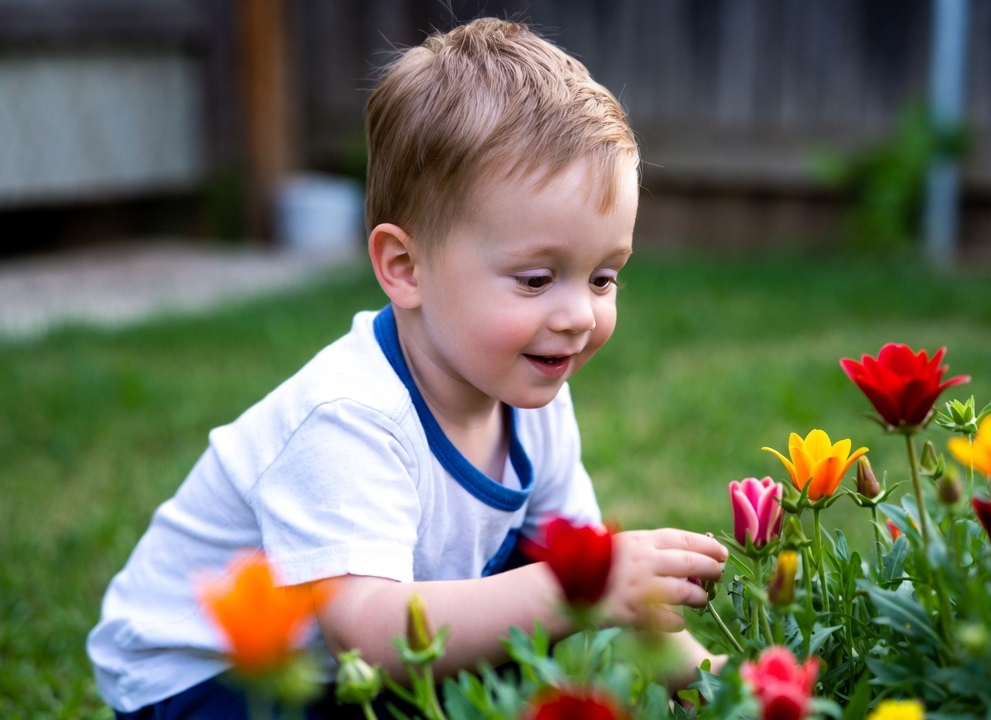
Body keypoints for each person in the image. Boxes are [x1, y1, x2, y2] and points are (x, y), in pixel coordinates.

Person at [87, 17, 728, 718]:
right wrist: (578, 590)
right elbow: (371, 635)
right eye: (537, 279)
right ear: (405, 267)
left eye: (603, 278)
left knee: (539, 589)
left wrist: (710, 679)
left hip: (342, 665)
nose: (578, 315)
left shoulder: (535, 398)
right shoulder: (352, 417)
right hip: (205, 677)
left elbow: (581, 563)